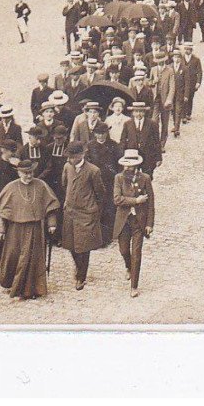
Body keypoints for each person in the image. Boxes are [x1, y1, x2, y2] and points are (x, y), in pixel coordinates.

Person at [0, 159, 59, 299]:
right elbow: (2, 212)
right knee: (13, 256)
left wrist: (51, 224)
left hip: (35, 229)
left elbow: (51, 207)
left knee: (32, 258)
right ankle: (11, 283)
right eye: (25, 173)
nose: (29, 176)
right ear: (18, 173)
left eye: (31, 173)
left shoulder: (41, 185)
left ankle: (31, 289)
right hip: (15, 230)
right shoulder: (10, 187)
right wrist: (0, 230)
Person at [61, 141, 107, 290]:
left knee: (84, 246)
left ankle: (81, 276)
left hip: (86, 214)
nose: (70, 159)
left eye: (73, 156)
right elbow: (64, 184)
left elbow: (100, 192)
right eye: (69, 156)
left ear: (82, 155)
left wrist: (94, 210)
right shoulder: (67, 167)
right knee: (71, 245)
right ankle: (78, 266)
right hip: (70, 212)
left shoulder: (93, 171)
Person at [113, 149, 156, 298]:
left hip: (139, 221)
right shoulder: (118, 178)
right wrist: (136, 201)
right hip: (123, 220)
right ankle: (128, 266)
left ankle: (134, 286)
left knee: (136, 253)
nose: (126, 169)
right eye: (125, 165)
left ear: (136, 166)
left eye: (129, 166)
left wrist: (149, 224)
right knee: (124, 250)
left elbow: (150, 203)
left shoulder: (145, 179)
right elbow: (117, 199)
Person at [86, 123, 122, 245]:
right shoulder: (90, 146)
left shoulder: (114, 145)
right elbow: (87, 163)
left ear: (107, 133)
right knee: (96, 208)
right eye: (98, 133)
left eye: (103, 133)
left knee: (109, 208)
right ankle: (95, 236)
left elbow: (119, 163)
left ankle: (107, 236)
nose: (101, 136)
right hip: (95, 182)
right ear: (94, 134)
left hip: (110, 182)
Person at [120, 102, 162, 177]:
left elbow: (157, 141)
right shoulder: (127, 124)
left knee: (147, 177)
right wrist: (123, 155)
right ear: (132, 112)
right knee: (132, 177)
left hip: (148, 156)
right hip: (132, 155)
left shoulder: (152, 124)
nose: (138, 114)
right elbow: (123, 141)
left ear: (145, 112)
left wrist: (159, 158)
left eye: (141, 111)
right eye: (136, 111)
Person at [150, 53, 175, 151]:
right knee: (154, 121)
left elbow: (172, 87)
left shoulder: (169, 70)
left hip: (165, 101)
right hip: (155, 99)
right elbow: (149, 82)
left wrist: (169, 100)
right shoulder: (153, 70)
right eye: (158, 61)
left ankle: (162, 144)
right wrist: (153, 82)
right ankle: (155, 143)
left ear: (164, 60)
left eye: (161, 61)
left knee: (165, 123)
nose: (160, 62)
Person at [170, 49, 187, 138]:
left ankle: (177, 128)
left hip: (180, 93)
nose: (176, 59)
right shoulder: (170, 67)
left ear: (180, 58)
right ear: (172, 58)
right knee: (173, 110)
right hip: (171, 93)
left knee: (178, 110)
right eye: (175, 57)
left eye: (178, 57)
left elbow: (187, 83)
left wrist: (186, 95)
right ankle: (175, 124)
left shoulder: (184, 68)